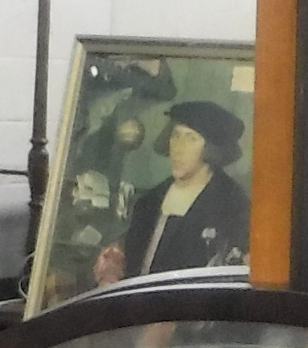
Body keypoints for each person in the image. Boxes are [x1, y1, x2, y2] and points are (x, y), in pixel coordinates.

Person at [93, 101, 249, 283]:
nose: (178, 148)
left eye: (191, 138)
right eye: (175, 135)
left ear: (211, 149)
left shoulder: (231, 204)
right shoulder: (149, 202)